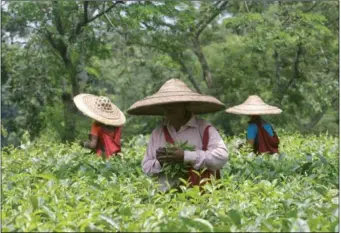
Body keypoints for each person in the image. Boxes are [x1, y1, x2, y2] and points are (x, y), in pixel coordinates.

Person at [127, 78, 229, 192]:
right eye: (166, 103)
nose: (169, 106)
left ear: (185, 105)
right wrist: (160, 162)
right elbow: (146, 167)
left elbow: (222, 156)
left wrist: (186, 156)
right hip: (164, 199)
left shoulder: (203, 128)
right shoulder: (158, 133)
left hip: (199, 198)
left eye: (175, 103)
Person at [73, 94, 126, 159]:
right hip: (116, 156)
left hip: (102, 157)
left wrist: (83, 143)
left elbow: (93, 145)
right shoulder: (117, 125)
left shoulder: (96, 126)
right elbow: (118, 142)